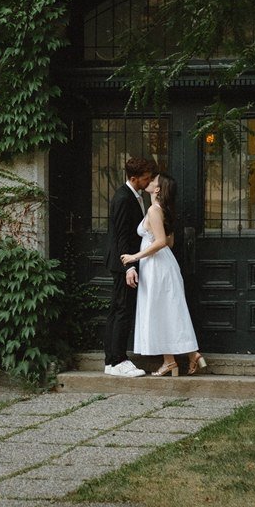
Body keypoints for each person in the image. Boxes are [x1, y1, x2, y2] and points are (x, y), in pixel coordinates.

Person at [122, 171, 206, 377]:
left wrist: (135, 257)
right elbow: (170, 242)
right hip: (164, 264)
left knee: (159, 311)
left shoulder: (153, 210)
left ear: (157, 189)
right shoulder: (164, 210)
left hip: (156, 265)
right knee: (165, 311)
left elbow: (160, 242)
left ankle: (173, 361)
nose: (149, 182)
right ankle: (186, 356)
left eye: (153, 181)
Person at [102, 154, 154, 376]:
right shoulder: (124, 198)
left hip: (126, 261)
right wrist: (129, 267)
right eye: (145, 178)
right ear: (134, 178)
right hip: (124, 263)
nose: (149, 181)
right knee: (122, 311)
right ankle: (118, 361)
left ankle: (111, 360)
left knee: (118, 310)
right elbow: (122, 236)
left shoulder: (134, 195)